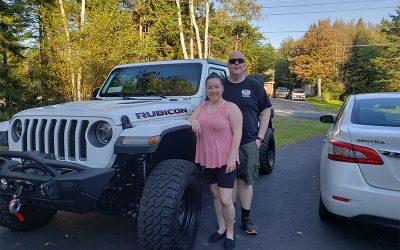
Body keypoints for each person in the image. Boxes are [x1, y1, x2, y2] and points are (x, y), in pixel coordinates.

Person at [189, 73, 242, 249]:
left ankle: (230, 232)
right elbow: (190, 118)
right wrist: (194, 121)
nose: (213, 90)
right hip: (208, 159)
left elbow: (237, 134)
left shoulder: (230, 108)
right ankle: (220, 228)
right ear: (206, 90)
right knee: (216, 195)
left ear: (222, 89)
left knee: (226, 199)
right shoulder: (202, 106)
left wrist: (232, 158)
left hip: (226, 160)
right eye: (210, 87)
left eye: (216, 87)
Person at [222, 50, 272, 235]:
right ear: (228, 64)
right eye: (232, 61)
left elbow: (265, 111)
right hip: (225, 145)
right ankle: (230, 221)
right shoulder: (221, 86)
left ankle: (245, 219)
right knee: (229, 183)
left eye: (240, 60)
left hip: (248, 143)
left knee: (245, 182)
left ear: (244, 64)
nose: (236, 63)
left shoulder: (254, 86)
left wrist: (259, 138)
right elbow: (208, 107)